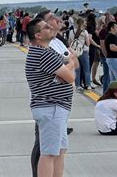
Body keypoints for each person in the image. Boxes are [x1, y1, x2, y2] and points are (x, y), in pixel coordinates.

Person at [25, 18, 78, 177]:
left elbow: (70, 69)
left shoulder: (47, 52)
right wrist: (69, 66)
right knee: (49, 153)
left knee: (60, 150)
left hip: (56, 108)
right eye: (46, 27)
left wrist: (66, 68)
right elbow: (71, 75)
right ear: (38, 35)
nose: (51, 28)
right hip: (51, 108)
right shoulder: (43, 54)